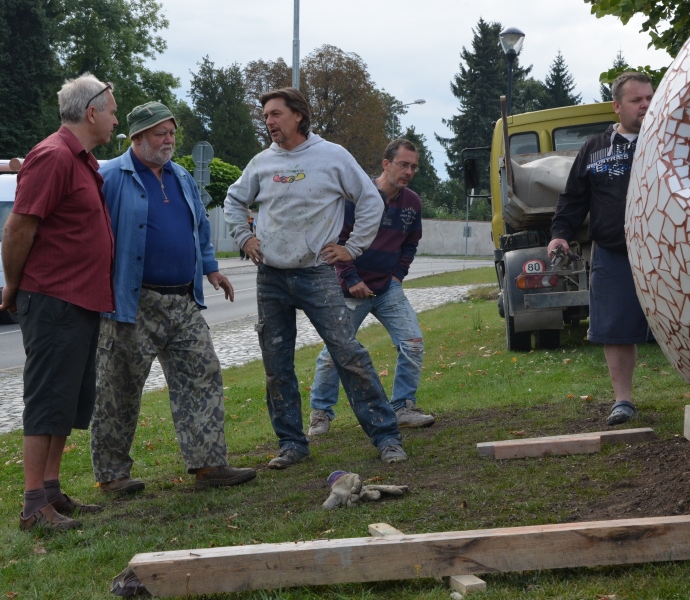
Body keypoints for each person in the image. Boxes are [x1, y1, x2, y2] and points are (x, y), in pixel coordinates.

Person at [223, 87, 406, 468]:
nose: (269, 121)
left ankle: (387, 437)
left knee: (348, 354)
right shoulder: (262, 162)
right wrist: (245, 236)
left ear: (299, 116)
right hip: (271, 277)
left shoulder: (332, 156)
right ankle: (292, 444)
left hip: (317, 274)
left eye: (276, 114)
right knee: (276, 365)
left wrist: (352, 248)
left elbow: (370, 199)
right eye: (266, 116)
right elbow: (234, 199)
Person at [90, 101, 256, 494]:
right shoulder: (109, 176)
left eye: (172, 133)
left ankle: (209, 465)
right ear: (137, 137)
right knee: (118, 388)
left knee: (202, 373)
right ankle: (112, 475)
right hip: (133, 303)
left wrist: (211, 268)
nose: (169, 141)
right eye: (160, 134)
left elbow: (199, 227)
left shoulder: (180, 176)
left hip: (183, 301)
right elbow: (89, 233)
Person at [0, 73, 118, 531]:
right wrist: (12, 286)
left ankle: (50, 491)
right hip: (53, 299)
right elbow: (18, 227)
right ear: (92, 112)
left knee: (66, 400)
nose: (116, 120)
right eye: (112, 111)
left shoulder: (81, 159)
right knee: (47, 399)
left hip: (78, 299)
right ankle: (33, 506)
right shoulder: (52, 156)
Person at [307, 138, 435, 436]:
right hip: (351, 290)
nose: (408, 172)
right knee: (335, 351)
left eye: (413, 167)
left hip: (388, 289)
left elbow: (410, 243)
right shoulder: (357, 196)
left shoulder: (412, 203)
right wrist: (351, 279)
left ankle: (403, 407)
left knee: (413, 343)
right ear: (386, 163)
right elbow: (337, 241)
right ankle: (320, 413)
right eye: (403, 165)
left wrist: (398, 276)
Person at [549, 71, 654, 427]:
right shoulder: (595, 148)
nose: (645, 105)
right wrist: (560, 234)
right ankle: (623, 401)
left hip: (668, 255)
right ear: (617, 106)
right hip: (614, 252)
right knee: (615, 328)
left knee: (689, 325)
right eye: (636, 100)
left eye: (650, 98)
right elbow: (573, 198)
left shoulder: (669, 141)